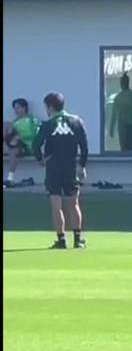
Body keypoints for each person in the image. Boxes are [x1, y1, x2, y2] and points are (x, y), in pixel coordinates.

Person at [32, 92, 88, 249]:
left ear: (50, 107)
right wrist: (82, 165)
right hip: (70, 166)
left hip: (53, 168)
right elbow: (84, 146)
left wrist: (40, 160)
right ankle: (78, 240)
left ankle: (61, 240)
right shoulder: (76, 121)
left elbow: (36, 144)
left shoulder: (47, 124)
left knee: (55, 204)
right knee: (73, 203)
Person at [4, 98, 42, 187]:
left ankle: (10, 178)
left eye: (18, 108)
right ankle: (10, 178)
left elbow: (36, 134)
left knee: (14, 150)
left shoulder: (32, 120)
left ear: (24, 108)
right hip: (16, 146)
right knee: (6, 125)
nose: (16, 111)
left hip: (30, 146)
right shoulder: (14, 122)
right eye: (15, 108)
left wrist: (20, 137)